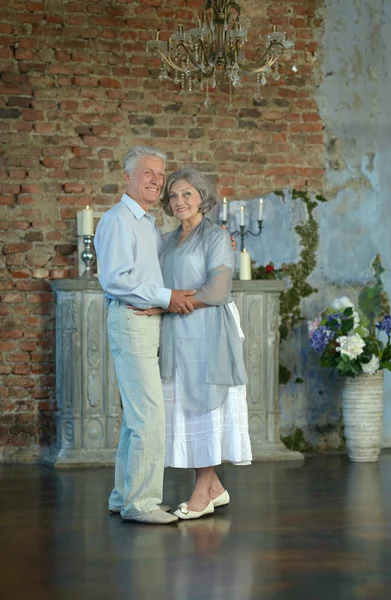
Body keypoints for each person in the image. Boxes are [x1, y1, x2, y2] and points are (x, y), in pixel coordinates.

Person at [133, 167, 252, 520]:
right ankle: (215, 488)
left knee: (205, 406)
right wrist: (162, 301)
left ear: (202, 197)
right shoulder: (167, 241)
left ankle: (203, 491)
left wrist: (172, 302)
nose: (179, 201)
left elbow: (218, 290)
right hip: (175, 334)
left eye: (187, 194)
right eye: (173, 196)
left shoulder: (216, 236)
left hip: (208, 330)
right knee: (182, 410)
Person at [94, 146, 197, 525]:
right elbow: (116, 279)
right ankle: (142, 504)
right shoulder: (119, 220)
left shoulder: (147, 223)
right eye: (148, 173)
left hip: (144, 319)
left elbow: (152, 273)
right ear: (128, 178)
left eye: (160, 173)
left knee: (138, 415)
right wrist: (166, 297)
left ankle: (123, 495)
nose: (157, 180)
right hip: (131, 321)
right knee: (150, 415)